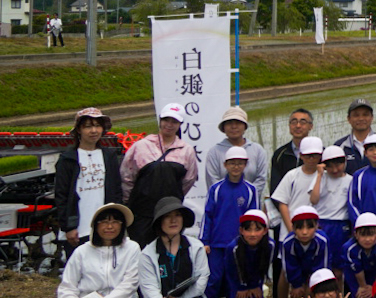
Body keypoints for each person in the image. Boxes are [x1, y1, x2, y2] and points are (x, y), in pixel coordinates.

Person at [57, 203, 140, 298]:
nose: (110, 226)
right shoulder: (82, 251)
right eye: (104, 222)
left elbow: (130, 283)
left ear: (122, 225)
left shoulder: (132, 248)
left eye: (115, 221)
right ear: (95, 225)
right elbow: (67, 286)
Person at [138, 196, 212, 298]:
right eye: (167, 216)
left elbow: (200, 285)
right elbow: (150, 293)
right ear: (159, 222)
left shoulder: (196, 247)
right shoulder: (147, 254)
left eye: (177, 215)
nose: (173, 220)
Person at [120, 104, 198, 246]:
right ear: (160, 120)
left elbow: (188, 180)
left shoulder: (186, 150)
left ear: (180, 124)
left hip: (171, 212)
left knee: (169, 251)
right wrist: (129, 201)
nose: (169, 125)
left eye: (174, 121)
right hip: (142, 214)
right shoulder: (141, 146)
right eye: (166, 120)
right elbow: (127, 177)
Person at [202, 146, 261, 298]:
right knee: (213, 280)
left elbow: (255, 219)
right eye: (232, 163)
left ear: (245, 165)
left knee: (232, 282)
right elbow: (208, 215)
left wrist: (253, 242)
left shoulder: (251, 190)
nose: (236, 167)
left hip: (239, 246)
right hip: (217, 244)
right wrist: (204, 241)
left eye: (240, 163)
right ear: (225, 165)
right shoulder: (216, 189)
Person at [267, 108, 315, 298]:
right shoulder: (280, 154)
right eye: (293, 121)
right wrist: (290, 227)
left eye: (303, 121)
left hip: (313, 226)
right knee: (284, 268)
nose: (298, 125)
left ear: (310, 126)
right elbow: (277, 193)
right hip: (287, 223)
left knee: (312, 267)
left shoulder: (320, 154)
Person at [53, 107, 123, 248]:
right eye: (88, 127)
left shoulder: (109, 156)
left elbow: (116, 190)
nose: (93, 131)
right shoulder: (68, 159)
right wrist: (69, 227)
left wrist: (115, 220)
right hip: (79, 228)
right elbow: (62, 195)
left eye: (97, 126)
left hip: (104, 226)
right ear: (79, 130)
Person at [223, 209, 276, 298]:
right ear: (241, 230)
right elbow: (231, 270)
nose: (253, 234)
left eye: (257, 229)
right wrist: (241, 288)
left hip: (256, 282)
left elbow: (265, 267)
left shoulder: (270, 245)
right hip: (237, 284)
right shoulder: (232, 248)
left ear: (265, 230)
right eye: (248, 229)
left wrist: (256, 285)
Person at [281, 206, 332, 298]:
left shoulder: (322, 241)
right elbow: (289, 266)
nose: (304, 232)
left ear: (316, 226)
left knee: (317, 296)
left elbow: (324, 265)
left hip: (316, 273)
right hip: (298, 272)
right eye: (299, 228)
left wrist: (314, 285)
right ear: (293, 227)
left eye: (309, 227)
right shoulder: (288, 243)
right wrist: (297, 285)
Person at [204, 105, 269, 193]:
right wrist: (230, 198)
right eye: (229, 123)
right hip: (223, 203)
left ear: (245, 126)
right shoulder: (214, 152)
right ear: (224, 127)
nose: (234, 126)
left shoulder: (258, 150)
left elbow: (261, 179)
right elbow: (212, 181)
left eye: (238, 122)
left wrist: (246, 196)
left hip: (251, 203)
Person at [336, 98, 376, 179]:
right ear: (348, 119)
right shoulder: (339, 146)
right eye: (356, 115)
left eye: (365, 114)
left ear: (372, 117)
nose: (361, 118)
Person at [313, 145, 353, 249]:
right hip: (321, 223)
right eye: (330, 166)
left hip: (341, 224)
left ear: (344, 162)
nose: (334, 170)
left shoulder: (351, 180)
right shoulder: (320, 178)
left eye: (338, 165)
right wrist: (319, 176)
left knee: (340, 259)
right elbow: (313, 200)